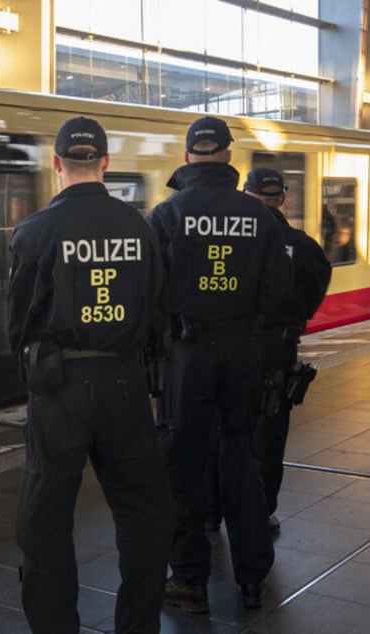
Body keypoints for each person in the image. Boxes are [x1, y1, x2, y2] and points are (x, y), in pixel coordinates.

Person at [7, 116, 174, 634]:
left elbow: (16, 325)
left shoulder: (34, 232)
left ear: (56, 165)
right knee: (144, 515)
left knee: (45, 519)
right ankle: (137, 624)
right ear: (105, 163)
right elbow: (156, 315)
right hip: (124, 384)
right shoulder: (140, 228)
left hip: (58, 390)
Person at [147, 116, 290, 612]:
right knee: (241, 459)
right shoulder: (262, 217)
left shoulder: (166, 214)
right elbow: (278, 296)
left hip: (187, 356)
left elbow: (151, 296)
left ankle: (189, 580)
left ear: (188, 158)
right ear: (229, 157)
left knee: (183, 464)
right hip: (244, 350)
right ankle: (252, 578)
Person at [243, 167, 332, 532]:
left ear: (247, 195)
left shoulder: (234, 240)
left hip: (229, 348)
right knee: (268, 433)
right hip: (277, 352)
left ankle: (211, 511)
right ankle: (262, 511)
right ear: (281, 198)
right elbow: (317, 285)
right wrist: (292, 323)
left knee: (221, 430)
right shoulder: (303, 244)